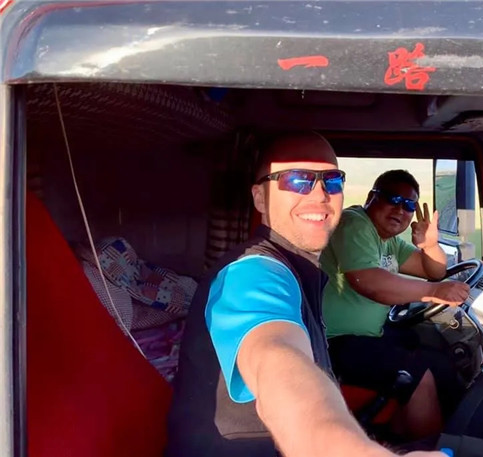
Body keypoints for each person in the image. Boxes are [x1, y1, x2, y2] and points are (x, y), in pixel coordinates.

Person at [166, 134, 447, 457]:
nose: (320, 194)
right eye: (297, 180)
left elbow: (432, 269)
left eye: (332, 180)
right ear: (260, 198)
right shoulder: (252, 273)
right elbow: (278, 361)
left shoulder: (299, 268)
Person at [320, 169, 470, 442]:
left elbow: (433, 271)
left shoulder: (388, 242)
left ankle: (403, 436)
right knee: (417, 373)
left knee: (438, 360)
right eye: (392, 199)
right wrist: (433, 292)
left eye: (409, 205)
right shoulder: (354, 224)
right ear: (371, 197)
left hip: (367, 335)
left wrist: (430, 246)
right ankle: (428, 450)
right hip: (333, 342)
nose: (400, 209)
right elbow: (368, 281)